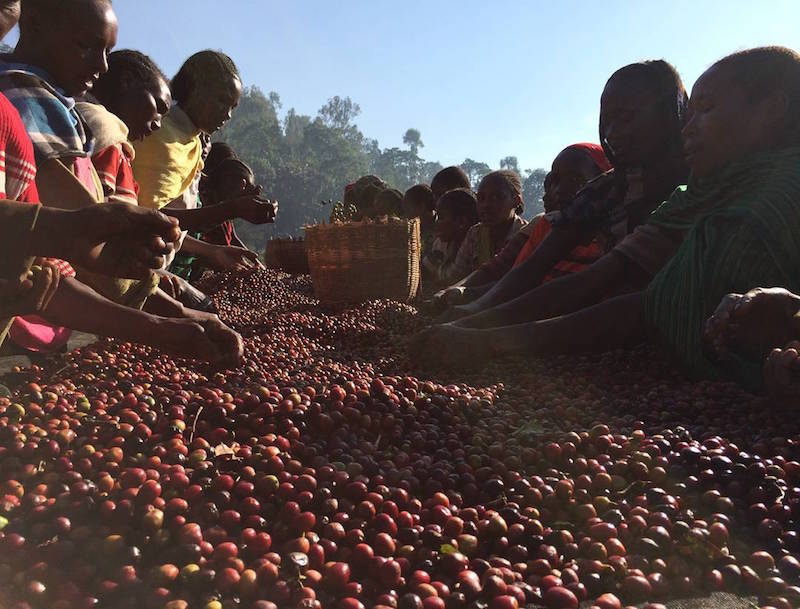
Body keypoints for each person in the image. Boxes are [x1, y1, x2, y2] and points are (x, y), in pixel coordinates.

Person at [412, 46, 800, 395]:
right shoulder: (691, 196)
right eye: (608, 120)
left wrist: (491, 339)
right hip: (641, 347)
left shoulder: (773, 194)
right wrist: (477, 322)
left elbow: (646, 309)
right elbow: (620, 291)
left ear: (772, 109)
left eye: (707, 109)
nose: (690, 126)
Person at [442, 60, 688, 323]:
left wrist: (485, 328)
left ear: (667, 115)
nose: (613, 133)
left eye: (627, 118)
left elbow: (593, 282)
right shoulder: (606, 190)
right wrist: (473, 311)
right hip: (605, 317)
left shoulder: (694, 188)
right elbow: (532, 268)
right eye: (607, 121)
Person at [132, 49, 276, 272]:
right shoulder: (159, 134)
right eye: (221, 101)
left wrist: (213, 251)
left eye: (232, 107)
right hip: (131, 268)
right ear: (195, 89)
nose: (227, 115)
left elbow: (173, 226)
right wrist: (231, 209)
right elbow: (144, 220)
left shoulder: (195, 142)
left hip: (156, 272)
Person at [435, 143, 612, 307]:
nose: (560, 190)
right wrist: (459, 293)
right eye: (555, 181)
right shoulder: (545, 225)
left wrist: (470, 303)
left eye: (575, 180)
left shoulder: (616, 235)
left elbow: (529, 287)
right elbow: (510, 273)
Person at [444, 170, 527, 284]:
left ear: (516, 201)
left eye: (496, 198)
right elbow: (456, 274)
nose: (486, 205)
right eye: (481, 198)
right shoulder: (475, 234)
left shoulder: (526, 234)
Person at [422, 188, 479, 284]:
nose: (436, 223)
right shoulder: (441, 244)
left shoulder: (476, 242)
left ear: (461, 222)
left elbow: (454, 277)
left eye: (441, 217)